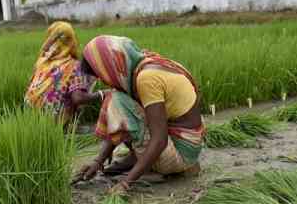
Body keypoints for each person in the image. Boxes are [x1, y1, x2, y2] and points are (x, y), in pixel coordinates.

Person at [74, 35, 204, 194]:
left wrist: (126, 183)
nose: (104, 80)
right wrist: (98, 161)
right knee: (116, 97)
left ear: (109, 67)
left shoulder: (146, 79)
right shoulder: (145, 64)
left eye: (101, 74)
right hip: (190, 145)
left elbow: (159, 140)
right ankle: (139, 160)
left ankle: (156, 168)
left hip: (179, 154)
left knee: (115, 100)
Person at [24, 22, 100, 125]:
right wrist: (101, 94)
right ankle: (68, 126)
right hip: (53, 122)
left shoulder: (42, 62)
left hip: (29, 118)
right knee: (87, 80)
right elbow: (78, 98)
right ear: (71, 40)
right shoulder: (73, 65)